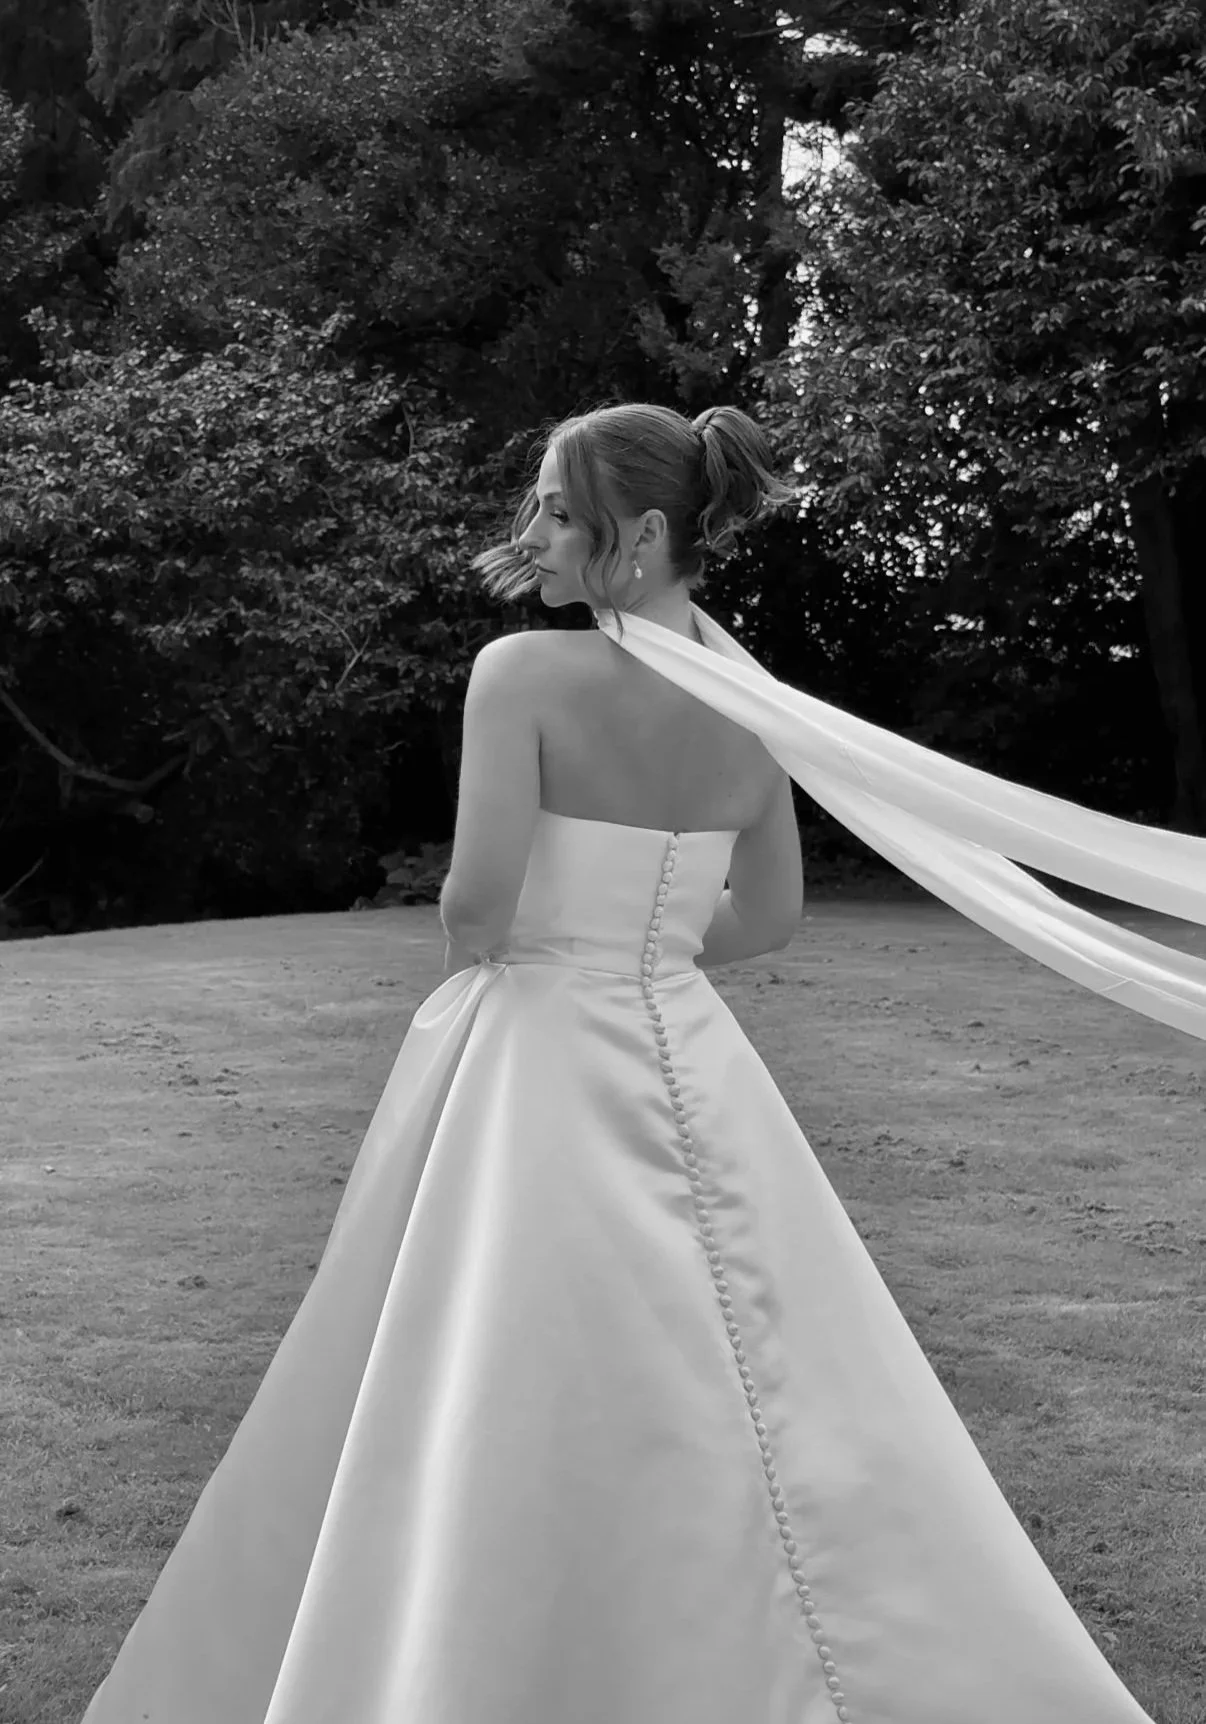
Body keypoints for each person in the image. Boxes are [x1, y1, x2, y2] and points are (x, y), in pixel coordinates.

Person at [79, 402, 1166, 1724]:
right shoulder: (754, 710)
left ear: (640, 534)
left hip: (534, 1061)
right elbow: (763, 918)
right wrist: (645, 952)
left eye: (549, 505)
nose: (526, 531)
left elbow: (474, 908)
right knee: (755, 1377)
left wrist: (564, 947)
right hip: (687, 1053)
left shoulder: (520, 676)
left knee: (494, 1377)